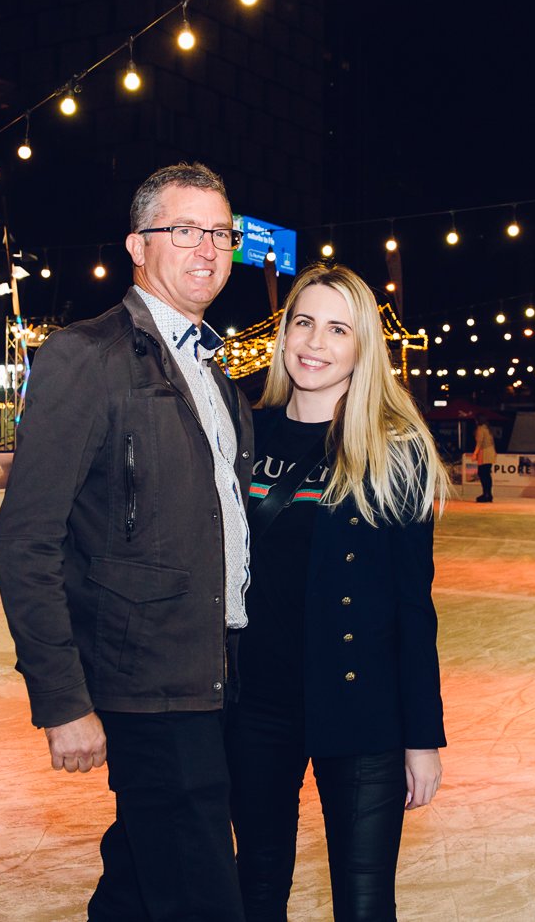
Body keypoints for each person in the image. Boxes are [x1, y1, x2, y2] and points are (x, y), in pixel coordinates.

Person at [0, 162, 252, 920]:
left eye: (220, 233)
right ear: (138, 245)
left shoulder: (214, 370)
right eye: (185, 230)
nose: (207, 248)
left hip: (217, 672)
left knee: (141, 876)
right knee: (205, 895)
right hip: (148, 684)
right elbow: (28, 540)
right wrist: (62, 699)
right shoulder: (88, 355)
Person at [227, 263, 447, 922]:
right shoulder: (243, 429)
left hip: (361, 705)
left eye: (336, 328)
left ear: (361, 346)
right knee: (255, 887)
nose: (314, 342)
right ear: (283, 333)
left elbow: (414, 604)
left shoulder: (393, 448)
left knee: (363, 900)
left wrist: (422, 734)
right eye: (302, 322)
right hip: (256, 703)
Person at [471, 419, 496, 502]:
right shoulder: (488, 429)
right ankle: (488, 494)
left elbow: (479, 442)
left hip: (485, 453)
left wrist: (475, 453)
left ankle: (486, 494)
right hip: (490, 452)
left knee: (483, 473)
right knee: (486, 474)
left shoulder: (480, 429)